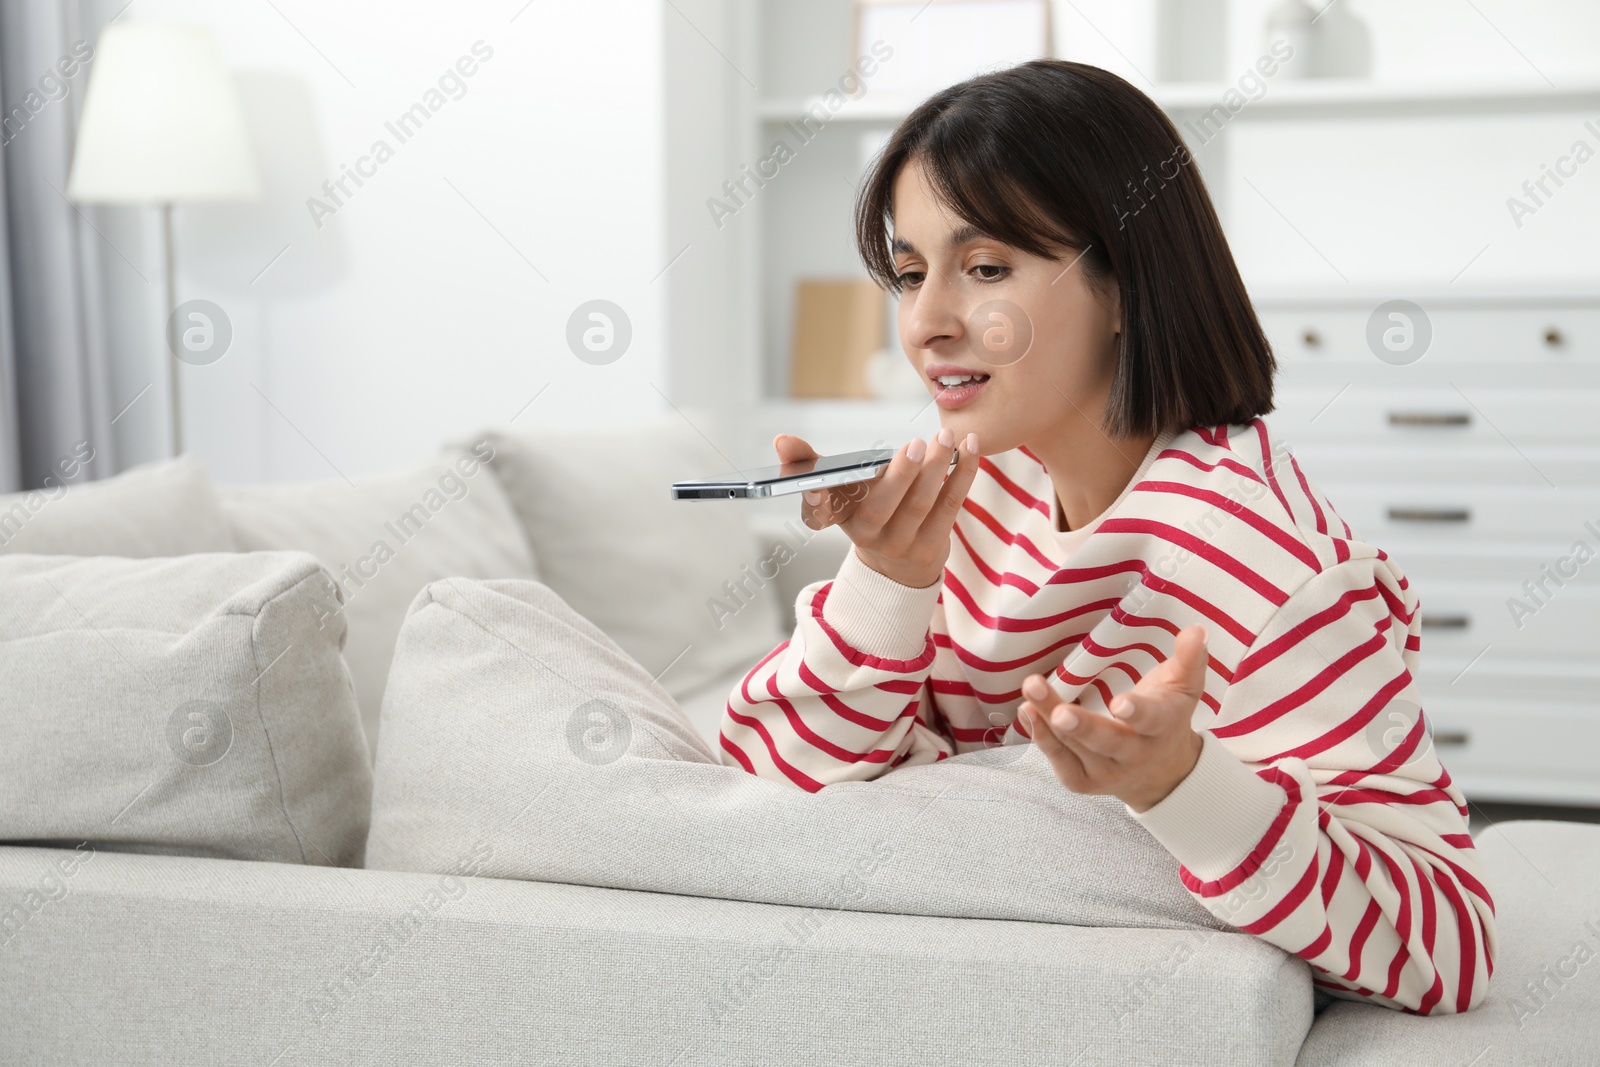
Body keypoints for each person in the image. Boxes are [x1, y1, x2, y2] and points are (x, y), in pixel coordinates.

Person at [717, 60, 1494, 1016]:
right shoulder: (981, 480)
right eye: (911, 273)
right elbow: (767, 784)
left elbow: (1451, 943)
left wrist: (1183, 786)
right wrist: (887, 580)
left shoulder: (1266, 561)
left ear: (1126, 283)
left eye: (987, 268)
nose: (924, 323)